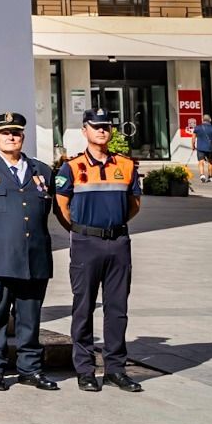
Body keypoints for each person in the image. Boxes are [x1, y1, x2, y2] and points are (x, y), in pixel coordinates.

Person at [55, 108, 143, 393]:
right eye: (96, 126)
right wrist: (83, 230)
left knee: (117, 309)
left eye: (106, 126)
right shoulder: (72, 167)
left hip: (118, 242)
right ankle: (85, 369)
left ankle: (116, 369)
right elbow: (61, 206)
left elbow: (134, 205)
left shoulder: (127, 166)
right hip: (85, 243)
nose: (102, 131)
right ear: (85, 131)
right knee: (83, 308)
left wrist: (112, 226)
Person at [0, 112, 58, 391]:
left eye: (16, 133)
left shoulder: (42, 171)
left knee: (29, 317)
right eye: (5, 133)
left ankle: (29, 369)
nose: (11, 137)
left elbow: (45, 210)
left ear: (23, 137)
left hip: (33, 257)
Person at [194, 114, 212, 183]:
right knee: (210, 161)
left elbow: (193, 138)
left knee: (201, 161)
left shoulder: (197, 128)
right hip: (210, 148)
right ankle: (210, 177)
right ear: (210, 120)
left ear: (203, 120)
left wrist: (193, 146)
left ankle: (202, 175)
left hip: (200, 147)